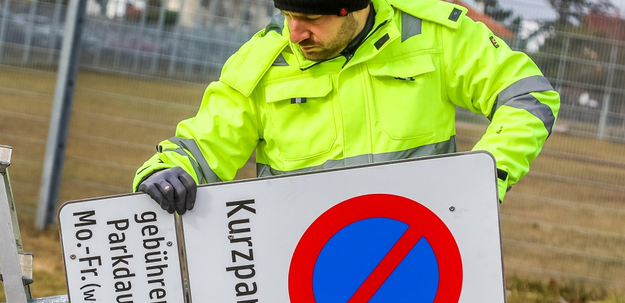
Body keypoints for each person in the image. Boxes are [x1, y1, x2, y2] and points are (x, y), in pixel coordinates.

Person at [134, 0, 560, 214]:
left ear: (354, 8)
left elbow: (527, 95)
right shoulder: (262, 63)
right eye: (287, 14)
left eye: (312, 19)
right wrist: (166, 171)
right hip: (302, 272)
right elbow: (199, 147)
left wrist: (484, 178)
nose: (296, 33)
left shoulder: (434, 35)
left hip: (423, 256)